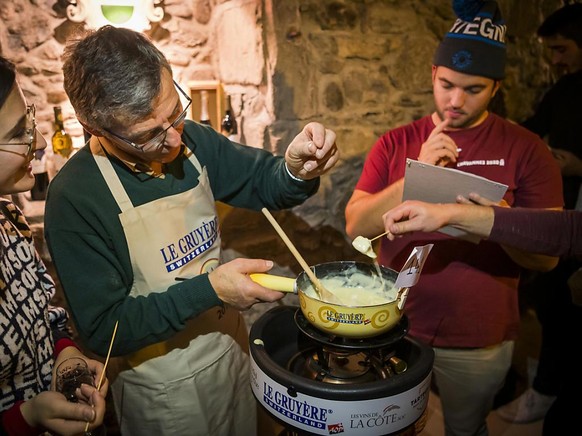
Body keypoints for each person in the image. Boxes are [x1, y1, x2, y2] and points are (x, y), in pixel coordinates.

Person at [43, 25, 339, 435]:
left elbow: (263, 182)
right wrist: (211, 290)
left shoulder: (191, 140)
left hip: (228, 353)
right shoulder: (76, 197)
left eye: (176, 112)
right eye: (149, 135)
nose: (174, 139)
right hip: (161, 390)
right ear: (95, 128)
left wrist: (294, 167)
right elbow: (105, 328)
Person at [344, 0, 563, 435]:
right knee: (392, 422)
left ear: (496, 88)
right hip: (394, 323)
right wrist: (415, 176)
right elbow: (355, 225)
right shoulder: (396, 141)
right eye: (446, 84)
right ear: (431, 74)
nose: (455, 100)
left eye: (474, 89)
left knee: (464, 425)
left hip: (478, 335)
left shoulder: (527, 149)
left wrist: (499, 220)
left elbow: (547, 259)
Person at [381, 197, 582, 435]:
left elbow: (558, 244)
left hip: (478, 338)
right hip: (401, 330)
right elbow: (571, 230)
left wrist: (450, 214)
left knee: (466, 426)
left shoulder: (531, 160)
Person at [0, 56, 107, 435]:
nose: (41, 142)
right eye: (18, 133)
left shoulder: (8, 218)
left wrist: (66, 353)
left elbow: (40, 313)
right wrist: (25, 418)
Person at [495, 3, 582, 425]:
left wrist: (579, 166)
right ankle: (548, 383)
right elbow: (529, 128)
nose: (555, 61)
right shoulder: (563, 91)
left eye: (562, 49)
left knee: (563, 304)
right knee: (552, 299)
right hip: (562, 215)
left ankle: (549, 388)